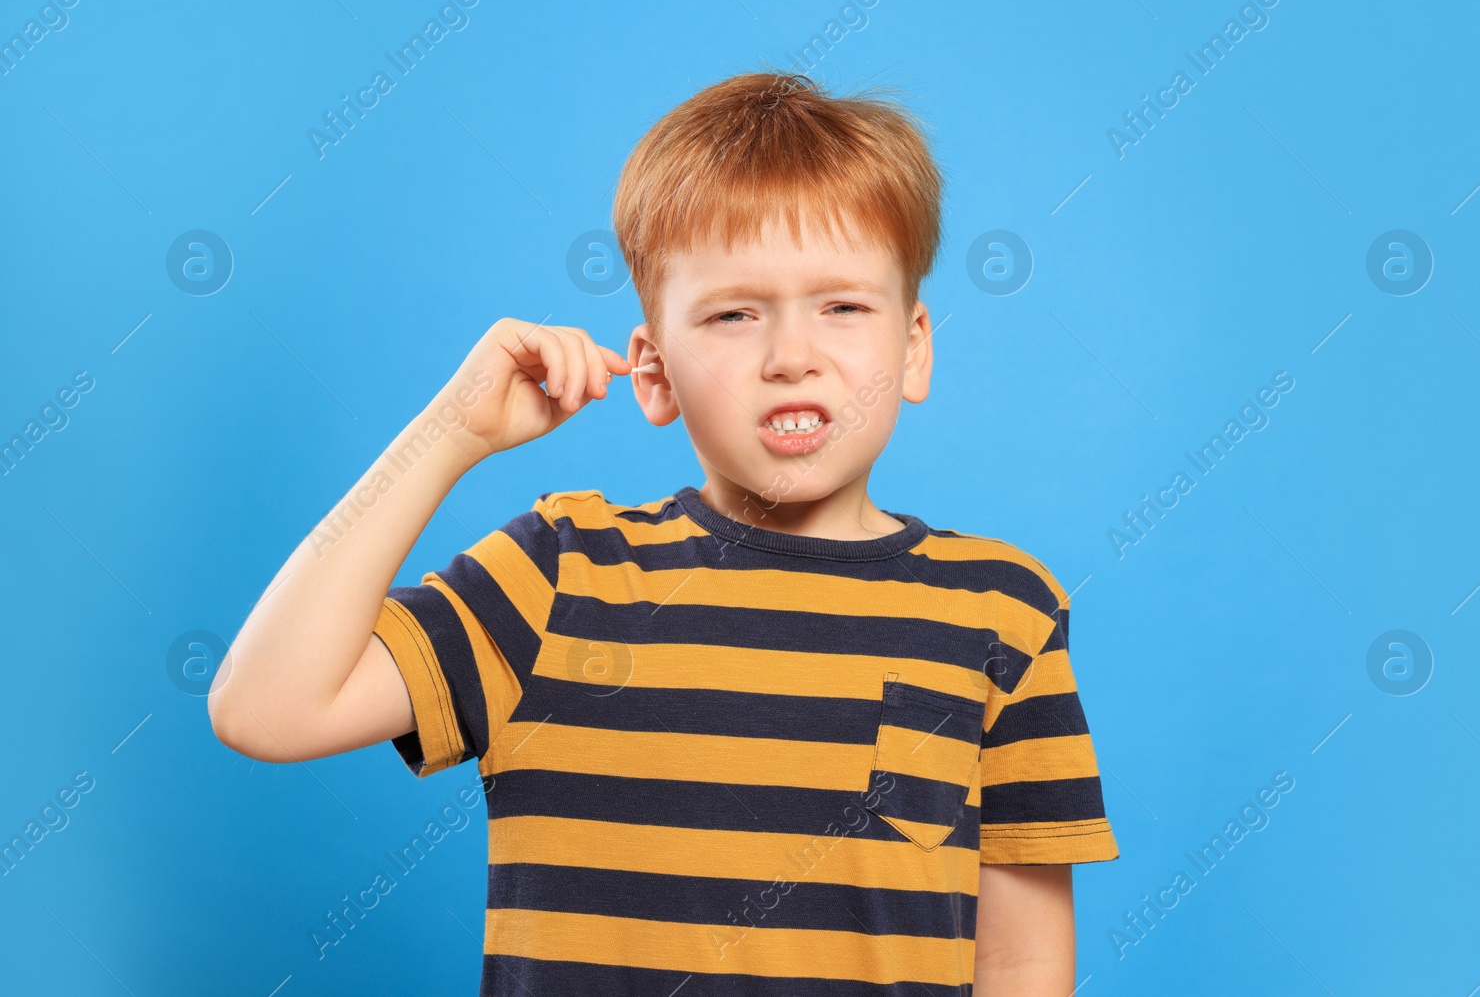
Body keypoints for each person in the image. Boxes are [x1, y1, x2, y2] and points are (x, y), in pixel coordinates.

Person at [210, 70, 1118, 995]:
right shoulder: (560, 576)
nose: (791, 354)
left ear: (914, 345)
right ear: (654, 374)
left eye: (842, 305)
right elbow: (264, 708)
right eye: (733, 313)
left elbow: (1021, 959)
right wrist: (451, 436)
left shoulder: (1005, 611)